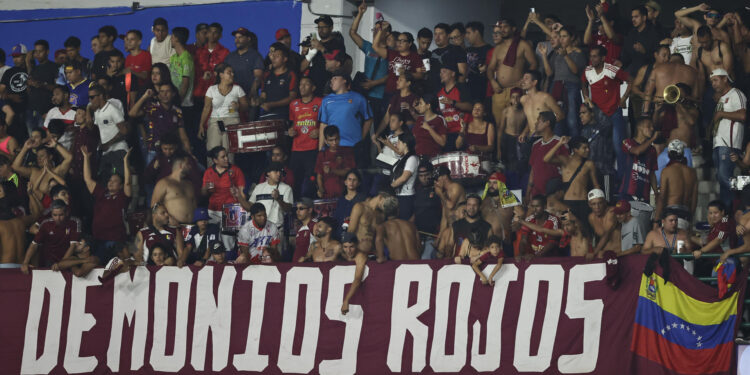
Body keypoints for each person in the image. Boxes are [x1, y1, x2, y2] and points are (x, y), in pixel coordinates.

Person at [582, 46, 630, 180]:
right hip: (598, 115)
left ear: (603, 58)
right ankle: (604, 179)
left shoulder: (611, 69)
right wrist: (586, 98)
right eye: (591, 56)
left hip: (614, 112)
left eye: (595, 56)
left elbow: (631, 80)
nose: (592, 59)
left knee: (618, 147)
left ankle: (623, 180)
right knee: (601, 148)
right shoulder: (588, 70)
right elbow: (583, 84)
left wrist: (624, 98)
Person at [81, 145, 131, 255]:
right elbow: (87, 179)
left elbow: (128, 182)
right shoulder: (101, 193)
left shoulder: (123, 197)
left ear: (121, 186)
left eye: (115, 181)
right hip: (98, 239)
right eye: (110, 180)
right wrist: (86, 158)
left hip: (116, 240)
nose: (111, 182)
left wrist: (125, 162)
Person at [487, 19, 537, 125]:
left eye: (505, 27)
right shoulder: (498, 48)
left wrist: (524, 81)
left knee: (516, 125)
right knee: (498, 125)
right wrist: (493, 82)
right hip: (499, 90)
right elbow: (490, 68)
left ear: (513, 29)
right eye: (500, 27)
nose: (502, 29)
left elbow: (534, 64)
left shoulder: (523, 45)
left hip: (517, 90)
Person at [318, 70, 372, 167]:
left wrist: (361, 138)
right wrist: (321, 148)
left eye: (335, 78)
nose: (332, 81)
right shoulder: (326, 100)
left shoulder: (358, 98)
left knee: (352, 177)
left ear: (344, 81)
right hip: (333, 147)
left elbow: (368, 119)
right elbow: (323, 124)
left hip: (352, 146)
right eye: (331, 79)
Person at [538, 27, 586, 137]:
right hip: (556, 85)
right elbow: (549, 73)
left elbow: (575, 71)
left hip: (571, 85)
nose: (562, 39)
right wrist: (544, 56)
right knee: (556, 117)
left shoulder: (578, 52)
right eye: (560, 36)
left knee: (572, 119)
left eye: (564, 36)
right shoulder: (557, 52)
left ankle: (575, 146)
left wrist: (565, 55)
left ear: (572, 37)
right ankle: (560, 146)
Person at [198, 63, 249, 163]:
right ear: (221, 75)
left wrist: (238, 106)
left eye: (232, 72)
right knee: (212, 148)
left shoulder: (237, 89)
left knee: (229, 150)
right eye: (229, 72)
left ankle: (228, 175)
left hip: (232, 121)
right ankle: (211, 175)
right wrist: (201, 125)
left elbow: (246, 107)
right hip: (215, 121)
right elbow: (206, 108)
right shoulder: (211, 89)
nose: (232, 74)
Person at [710, 68, 746, 207]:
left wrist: (721, 114)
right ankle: (727, 214)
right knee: (722, 180)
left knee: (724, 176)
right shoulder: (721, 98)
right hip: (718, 142)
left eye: (716, 80)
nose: (713, 84)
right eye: (712, 81)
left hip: (729, 142)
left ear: (725, 79)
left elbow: (743, 116)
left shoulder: (736, 93)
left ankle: (746, 186)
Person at [130, 85, 190, 165]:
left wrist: (189, 154)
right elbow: (132, 113)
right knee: (150, 176)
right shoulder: (152, 108)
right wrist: (145, 97)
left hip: (171, 152)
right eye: (161, 91)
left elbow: (183, 137)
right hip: (153, 150)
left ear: (173, 94)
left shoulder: (177, 111)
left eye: (167, 91)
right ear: (158, 95)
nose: (164, 94)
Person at [349, 1, 390, 121]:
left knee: (378, 128)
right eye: (374, 30)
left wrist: (374, 83)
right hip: (364, 94)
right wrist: (361, 13)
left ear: (387, 33)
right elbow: (352, 33)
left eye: (379, 30)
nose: (375, 32)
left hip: (380, 95)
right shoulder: (368, 47)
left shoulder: (390, 51)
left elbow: (392, 75)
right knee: (362, 126)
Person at [21, 200, 81, 273]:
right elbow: (34, 244)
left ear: (66, 213)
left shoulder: (75, 222)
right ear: (51, 214)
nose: (58, 218)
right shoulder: (46, 224)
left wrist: (61, 264)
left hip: (67, 260)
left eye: (61, 215)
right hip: (48, 261)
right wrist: (25, 262)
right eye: (54, 215)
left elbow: (73, 246)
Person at [239, 162, 293, 241]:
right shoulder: (259, 187)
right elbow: (250, 207)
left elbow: (288, 209)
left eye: (280, 172)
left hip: (276, 229)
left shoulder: (286, 188)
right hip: (258, 231)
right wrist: (238, 196)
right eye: (275, 171)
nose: (278, 174)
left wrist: (278, 199)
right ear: (268, 173)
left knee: (275, 253)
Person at [288, 76, 322, 196]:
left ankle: (310, 204)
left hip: (312, 148)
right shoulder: (293, 104)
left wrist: (319, 131)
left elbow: (327, 123)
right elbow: (293, 123)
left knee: (311, 179)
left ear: (313, 88)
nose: (302, 87)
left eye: (306, 84)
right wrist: (290, 131)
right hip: (296, 148)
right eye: (300, 84)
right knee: (294, 180)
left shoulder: (320, 102)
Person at [88, 84, 129, 177]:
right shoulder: (97, 112)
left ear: (101, 96)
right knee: (106, 183)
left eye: (92, 97)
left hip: (119, 150)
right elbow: (94, 130)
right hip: (106, 153)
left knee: (119, 181)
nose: (90, 100)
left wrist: (108, 143)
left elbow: (124, 131)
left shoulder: (112, 110)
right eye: (89, 98)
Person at [655, 140, 697, 224]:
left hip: (671, 213)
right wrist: (690, 219)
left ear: (669, 154)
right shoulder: (692, 173)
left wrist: (656, 220)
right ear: (682, 154)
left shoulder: (667, 171)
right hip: (686, 214)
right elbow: (694, 199)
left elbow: (662, 198)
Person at [0, 182, 42, 265]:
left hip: (4, 269)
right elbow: (37, 214)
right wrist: (30, 194)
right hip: (21, 266)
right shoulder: (21, 221)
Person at [527, 111, 567, 199]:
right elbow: (533, 171)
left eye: (539, 120)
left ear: (547, 123)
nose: (536, 123)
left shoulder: (560, 142)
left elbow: (567, 168)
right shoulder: (535, 145)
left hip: (553, 195)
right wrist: (528, 193)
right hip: (536, 194)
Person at [692, 200, 737, 276]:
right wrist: (688, 236)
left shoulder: (725, 223)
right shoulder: (716, 225)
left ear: (722, 212)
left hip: (724, 261)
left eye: (716, 213)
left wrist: (701, 251)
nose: (712, 216)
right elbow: (705, 241)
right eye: (710, 213)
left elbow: (718, 240)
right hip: (714, 261)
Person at [620, 118, 659, 202]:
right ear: (639, 127)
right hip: (628, 193)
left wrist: (656, 192)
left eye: (652, 127)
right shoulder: (627, 142)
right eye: (649, 126)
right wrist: (652, 139)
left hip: (644, 196)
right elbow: (636, 151)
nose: (652, 129)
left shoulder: (652, 150)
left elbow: (652, 173)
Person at [151, 153, 196, 225]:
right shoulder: (164, 183)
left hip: (192, 226)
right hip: (173, 227)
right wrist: (168, 218)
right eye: (188, 164)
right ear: (181, 165)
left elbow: (194, 204)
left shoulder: (189, 184)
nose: (190, 167)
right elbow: (154, 206)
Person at [194, 22, 230, 110]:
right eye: (210, 32)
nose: (212, 35)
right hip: (199, 94)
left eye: (215, 32)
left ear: (220, 35)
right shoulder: (198, 52)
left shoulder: (225, 52)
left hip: (216, 96)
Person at [436, 62, 472, 150]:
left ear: (453, 73)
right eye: (440, 72)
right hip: (447, 133)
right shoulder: (439, 92)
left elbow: (470, 106)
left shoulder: (461, 88)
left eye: (444, 72)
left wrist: (452, 102)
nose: (441, 74)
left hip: (463, 131)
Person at [225, 26, 264, 105]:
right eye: (236, 38)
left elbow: (258, 76)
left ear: (248, 39)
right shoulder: (230, 57)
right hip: (232, 99)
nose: (237, 40)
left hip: (250, 99)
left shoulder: (255, 56)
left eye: (240, 37)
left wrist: (252, 92)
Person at [257, 43, 297, 120]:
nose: (273, 58)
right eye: (273, 55)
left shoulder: (290, 74)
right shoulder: (267, 74)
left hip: (282, 115)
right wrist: (258, 101)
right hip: (265, 116)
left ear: (285, 58)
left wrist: (272, 105)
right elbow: (263, 95)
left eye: (277, 56)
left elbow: (292, 97)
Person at [579, 103, 615, 189]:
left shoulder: (602, 128)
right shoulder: (583, 131)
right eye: (580, 113)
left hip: (604, 172)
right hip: (589, 173)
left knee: (606, 200)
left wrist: (594, 107)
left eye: (584, 113)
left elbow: (607, 123)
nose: (581, 116)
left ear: (592, 113)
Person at [519, 70, 564, 138]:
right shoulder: (523, 100)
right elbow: (530, 119)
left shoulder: (545, 97)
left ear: (534, 82)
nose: (523, 81)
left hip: (545, 137)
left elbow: (560, 115)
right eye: (523, 78)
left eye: (526, 78)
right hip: (532, 136)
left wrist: (545, 125)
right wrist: (524, 132)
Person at [375, 195, 420, 262]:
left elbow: (378, 240)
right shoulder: (411, 225)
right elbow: (419, 247)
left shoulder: (383, 226)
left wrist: (381, 257)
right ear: (398, 210)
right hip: (416, 262)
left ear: (384, 211)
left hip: (399, 263)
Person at [26, 40, 58, 133]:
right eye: (36, 51)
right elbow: (29, 86)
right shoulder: (34, 69)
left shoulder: (54, 67)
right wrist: (28, 62)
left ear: (47, 51)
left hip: (46, 110)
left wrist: (42, 85)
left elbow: (58, 88)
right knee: (32, 139)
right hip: (31, 110)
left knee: (43, 137)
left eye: (40, 51)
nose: (38, 54)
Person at [497, 88, 526, 187]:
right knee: (507, 166)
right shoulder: (506, 111)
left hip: (519, 140)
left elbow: (529, 126)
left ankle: (517, 188)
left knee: (519, 166)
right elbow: (500, 130)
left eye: (518, 97)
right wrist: (498, 149)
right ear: (510, 99)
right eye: (513, 97)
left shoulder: (525, 112)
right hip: (507, 139)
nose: (515, 100)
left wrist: (524, 134)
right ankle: (508, 188)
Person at [315, 125, 355, 199]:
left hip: (345, 195)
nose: (334, 142)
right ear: (326, 141)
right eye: (331, 140)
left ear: (339, 138)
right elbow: (319, 175)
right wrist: (321, 189)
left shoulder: (347, 152)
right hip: (327, 196)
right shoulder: (322, 154)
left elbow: (349, 172)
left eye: (336, 139)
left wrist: (332, 170)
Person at [448, 194, 493, 259]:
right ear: (466, 206)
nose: (471, 207)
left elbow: (491, 248)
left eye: (474, 205)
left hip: (479, 264)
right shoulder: (456, 225)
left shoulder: (487, 227)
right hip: (459, 264)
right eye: (469, 204)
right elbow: (450, 246)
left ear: (480, 207)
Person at [621, 6, 660, 77]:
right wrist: (621, 62)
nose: (633, 19)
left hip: (648, 72)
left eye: (636, 17)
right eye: (632, 17)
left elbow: (657, 57)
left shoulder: (654, 34)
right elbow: (626, 54)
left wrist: (644, 51)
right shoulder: (631, 33)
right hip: (632, 71)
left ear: (644, 18)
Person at [480, 172, 515, 247]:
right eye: (489, 183)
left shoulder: (509, 198)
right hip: (486, 245)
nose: (491, 185)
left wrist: (514, 225)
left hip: (503, 243)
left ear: (501, 185)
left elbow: (521, 214)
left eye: (495, 183)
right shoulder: (484, 201)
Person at [390, 132, 418, 220]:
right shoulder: (402, 158)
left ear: (405, 144)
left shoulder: (412, 158)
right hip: (398, 195)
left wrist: (389, 187)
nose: (397, 144)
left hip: (406, 197)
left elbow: (404, 178)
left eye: (399, 142)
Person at [456, 102, 495, 166]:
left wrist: (478, 148)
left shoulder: (489, 126)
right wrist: (462, 128)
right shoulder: (466, 125)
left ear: (484, 113)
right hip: (468, 160)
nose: (476, 110)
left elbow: (491, 147)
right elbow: (457, 145)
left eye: (479, 109)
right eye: (474, 108)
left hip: (483, 160)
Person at [340, 232, 369, 315]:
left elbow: (357, 279)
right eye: (345, 247)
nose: (348, 251)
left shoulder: (360, 256)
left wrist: (346, 300)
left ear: (357, 245)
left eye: (351, 247)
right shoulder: (341, 252)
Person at [412, 93, 447, 158]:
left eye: (420, 103)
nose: (418, 106)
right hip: (418, 156)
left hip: (433, 157)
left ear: (428, 106)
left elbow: (443, 142)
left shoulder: (439, 119)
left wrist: (429, 128)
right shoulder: (419, 119)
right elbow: (414, 137)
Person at [587, 189, 622, 254]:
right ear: (589, 205)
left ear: (605, 202)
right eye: (593, 204)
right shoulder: (591, 218)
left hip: (618, 253)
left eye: (600, 203)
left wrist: (594, 252)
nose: (597, 207)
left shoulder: (611, 213)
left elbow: (607, 234)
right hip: (604, 254)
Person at [464, 21, 491, 102]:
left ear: (476, 32)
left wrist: (487, 68)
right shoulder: (466, 50)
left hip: (483, 92)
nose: (466, 36)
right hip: (467, 91)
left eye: (469, 33)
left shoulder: (490, 50)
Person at [169, 27, 195, 110]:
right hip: (173, 101)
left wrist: (178, 101)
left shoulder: (186, 58)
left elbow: (185, 83)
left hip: (184, 104)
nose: (170, 39)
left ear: (176, 39)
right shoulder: (173, 57)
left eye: (172, 37)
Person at [122, 29, 152, 99]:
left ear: (139, 42)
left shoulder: (146, 55)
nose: (129, 42)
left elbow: (145, 75)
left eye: (132, 39)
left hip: (143, 92)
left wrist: (132, 72)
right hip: (129, 93)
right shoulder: (128, 58)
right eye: (127, 39)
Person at [292, 198, 317, 262]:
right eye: (296, 209)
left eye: (301, 208)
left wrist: (306, 257)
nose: (297, 211)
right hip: (296, 266)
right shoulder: (300, 228)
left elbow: (320, 244)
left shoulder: (314, 225)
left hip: (307, 265)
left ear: (310, 210)